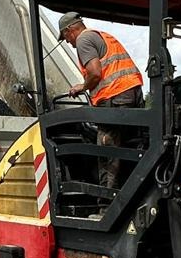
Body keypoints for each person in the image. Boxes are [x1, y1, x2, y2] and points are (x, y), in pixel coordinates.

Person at [57, 13, 144, 190]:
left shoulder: (83, 39)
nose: (67, 42)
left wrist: (82, 86)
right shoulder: (103, 35)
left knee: (106, 150)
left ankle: (107, 205)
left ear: (69, 30)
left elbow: (95, 73)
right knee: (130, 146)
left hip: (115, 97)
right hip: (132, 94)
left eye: (65, 37)